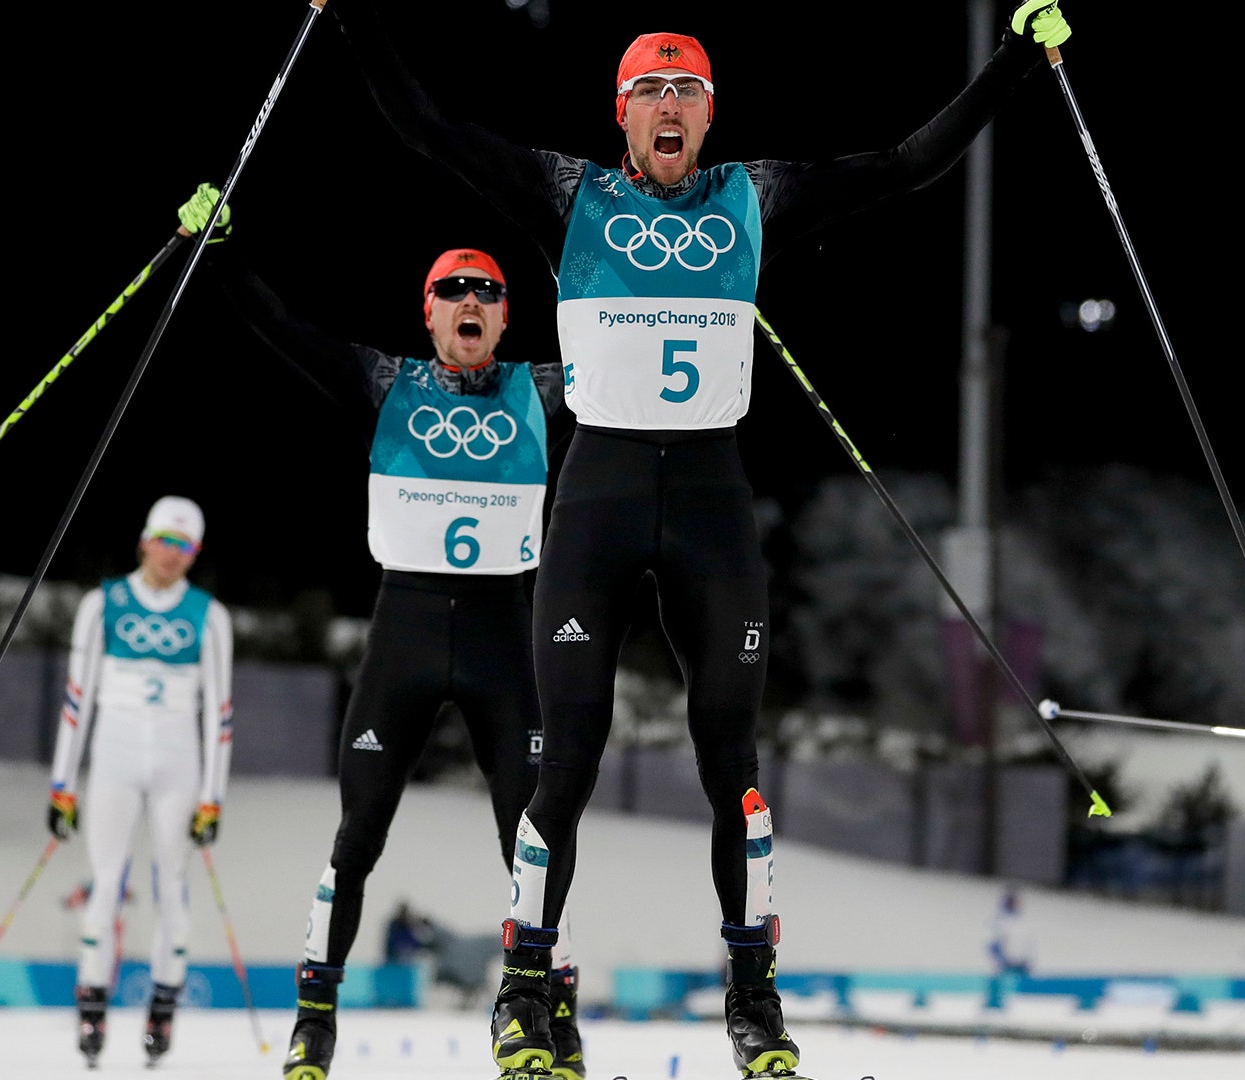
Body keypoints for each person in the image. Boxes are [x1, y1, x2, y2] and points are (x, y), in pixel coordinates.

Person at [330, 2, 1074, 1075]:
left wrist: (1013, 60)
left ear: (710, 115)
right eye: (650, 93)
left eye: (686, 93)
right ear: (621, 114)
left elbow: (909, 163)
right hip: (598, 500)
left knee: (735, 760)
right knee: (567, 762)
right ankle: (525, 995)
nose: (668, 108)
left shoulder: (753, 199)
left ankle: (753, 1001)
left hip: (713, 504)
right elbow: (426, 129)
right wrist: (356, 23)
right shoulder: (566, 193)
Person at [169, 188, 580, 1080]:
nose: (470, 302)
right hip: (403, 634)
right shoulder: (386, 383)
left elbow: (640, 339)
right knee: (358, 835)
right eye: (452, 290)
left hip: (504, 639)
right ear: (427, 312)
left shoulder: (543, 390)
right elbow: (282, 327)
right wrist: (219, 248)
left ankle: (545, 1009)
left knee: (534, 835)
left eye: (487, 292)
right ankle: (314, 1018)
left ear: (506, 317)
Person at [45, 495, 234, 1067]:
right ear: (144, 539)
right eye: (163, 540)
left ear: (194, 553)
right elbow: (76, 703)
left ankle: (162, 1012)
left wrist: (212, 799)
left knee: (172, 887)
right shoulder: (101, 604)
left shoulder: (210, 615)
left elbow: (220, 717)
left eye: (184, 546)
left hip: (178, 764)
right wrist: (61, 784)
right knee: (105, 884)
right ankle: (92, 1010)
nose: (170, 554)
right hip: (114, 759)